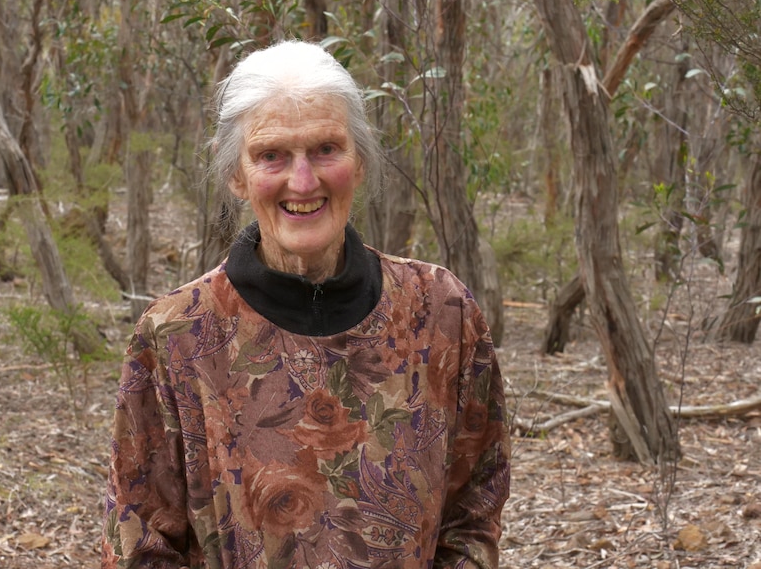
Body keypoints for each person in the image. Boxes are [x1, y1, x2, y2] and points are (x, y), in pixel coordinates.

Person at [101, 40, 510, 569]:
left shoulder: (441, 312)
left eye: (326, 149)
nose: (302, 180)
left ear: (359, 162)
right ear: (236, 175)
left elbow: (474, 508)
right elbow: (142, 540)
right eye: (271, 154)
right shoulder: (177, 334)